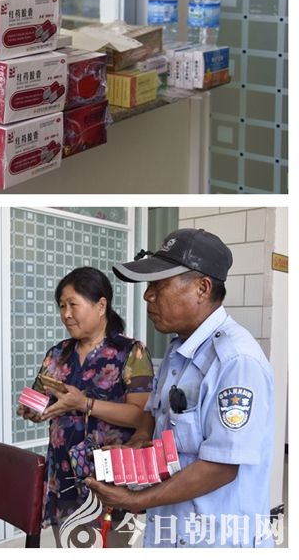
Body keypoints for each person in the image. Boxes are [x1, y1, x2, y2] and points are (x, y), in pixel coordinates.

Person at [86, 228, 275, 548]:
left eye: (159, 285)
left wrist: (134, 500)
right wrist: (138, 445)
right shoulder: (178, 350)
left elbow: (220, 467)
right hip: (171, 530)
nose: (147, 296)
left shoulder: (236, 361)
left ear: (202, 288)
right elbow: (156, 415)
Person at [17, 267, 154, 546]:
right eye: (62, 306)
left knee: (112, 546)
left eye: (73, 304)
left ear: (101, 305)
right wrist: (32, 410)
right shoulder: (58, 353)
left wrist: (84, 403)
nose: (66, 314)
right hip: (64, 475)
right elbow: (40, 399)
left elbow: (140, 416)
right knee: (68, 544)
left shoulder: (130, 352)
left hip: (113, 479)